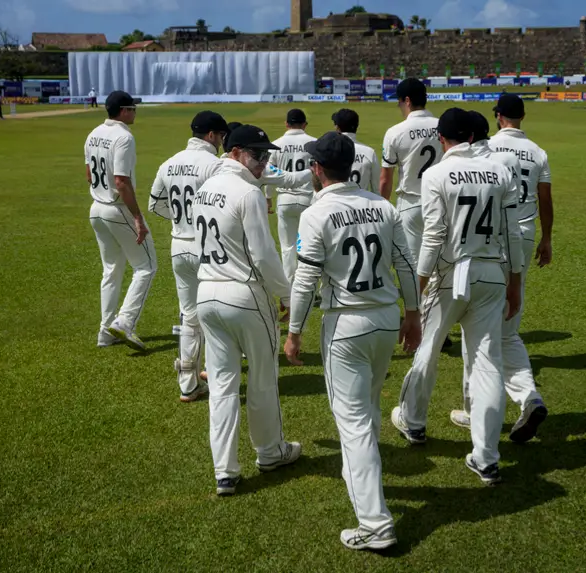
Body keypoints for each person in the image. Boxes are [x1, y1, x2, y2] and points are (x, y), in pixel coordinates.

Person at [284, 132, 422, 551]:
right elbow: (405, 262)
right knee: (367, 410)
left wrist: (293, 332)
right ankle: (360, 476)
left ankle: (376, 524)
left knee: (354, 421)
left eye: (312, 164)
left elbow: (305, 279)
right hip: (384, 317)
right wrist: (413, 314)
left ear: (319, 169)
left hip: (345, 323)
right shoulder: (382, 205)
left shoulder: (317, 212)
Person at [392, 108, 524, 486]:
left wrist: (415, 293)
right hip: (492, 273)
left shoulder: (435, 174)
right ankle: (486, 458)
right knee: (487, 363)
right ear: (470, 136)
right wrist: (515, 281)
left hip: (451, 275)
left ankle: (413, 422)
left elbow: (433, 237)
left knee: (427, 349)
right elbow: (512, 233)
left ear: (441, 139)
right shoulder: (500, 171)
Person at [194, 125, 301, 496]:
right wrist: (286, 295)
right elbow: (264, 254)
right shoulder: (248, 193)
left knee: (222, 385)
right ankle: (270, 451)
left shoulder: (205, 188)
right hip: (244, 293)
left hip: (206, 292)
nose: (264, 163)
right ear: (236, 152)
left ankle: (225, 471)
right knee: (262, 378)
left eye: (267, 156)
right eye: (258, 155)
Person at [446, 110, 548, 442]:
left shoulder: (475, 168)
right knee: (507, 335)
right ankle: (529, 397)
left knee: (473, 337)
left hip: (482, 260)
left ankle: (476, 410)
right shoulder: (517, 158)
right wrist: (516, 277)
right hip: (514, 250)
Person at [485, 93, 553, 442]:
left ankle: (476, 408)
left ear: (498, 116)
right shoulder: (538, 151)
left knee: (481, 325)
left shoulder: (487, 147)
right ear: (523, 115)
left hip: (491, 238)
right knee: (507, 326)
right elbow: (545, 197)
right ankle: (528, 397)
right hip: (524, 237)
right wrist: (547, 238)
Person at [148, 111, 229, 403]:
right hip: (207, 246)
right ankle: (216, 375)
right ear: (211, 136)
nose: (222, 141)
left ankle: (188, 383)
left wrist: (182, 221)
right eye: (220, 136)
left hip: (178, 245)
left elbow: (155, 205)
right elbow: (224, 205)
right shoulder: (216, 165)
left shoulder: (168, 163)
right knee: (215, 311)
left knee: (188, 314)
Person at [85, 90, 155, 351]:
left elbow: (89, 175)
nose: (135, 112)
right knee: (146, 267)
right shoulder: (124, 137)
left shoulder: (93, 133)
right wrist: (137, 217)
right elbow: (121, 181)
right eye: (133, 108)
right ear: (124, 111)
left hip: (96, 208)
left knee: (111, 271)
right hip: (117, 208)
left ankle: (105, 333)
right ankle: (124, 323)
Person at [379, 78, 439, 259]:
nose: (399, 107)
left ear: (407, 101)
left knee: (411, 265)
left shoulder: (395, 132)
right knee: (439, 263)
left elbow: (385, 179)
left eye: (399, 102)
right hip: (440, 201)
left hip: (410, 203)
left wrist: (382, 210)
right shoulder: (443, 126)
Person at [269, 109, 316, 285]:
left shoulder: (276, 144)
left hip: (285, 199)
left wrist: (268, 198)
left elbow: (269, 175)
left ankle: (290, 286)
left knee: (288, 247)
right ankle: (309, 285)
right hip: (308, 199)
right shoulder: (314, 143)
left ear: (286, 124)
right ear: (304, 124)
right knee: (309, 245)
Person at [332, 108, 381, 193]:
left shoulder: (329, 150)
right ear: (357, 126)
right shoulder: (369, 152)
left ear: (337, 128)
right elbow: (377, 189)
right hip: (362, 204)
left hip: (337, 203)